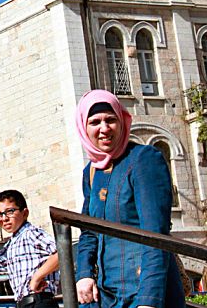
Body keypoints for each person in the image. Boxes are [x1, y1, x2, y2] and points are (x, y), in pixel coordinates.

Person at [74, 90, 185, 308]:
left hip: (141, 291)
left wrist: (149, 299)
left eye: (111, 120)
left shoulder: (144, 159)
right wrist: (84, 274)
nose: (104, 129)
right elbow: (89, 231)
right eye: (95, 122)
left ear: (122, 121)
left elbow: (156, 235)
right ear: (84, 128)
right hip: (106, 295)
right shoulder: (91, 172)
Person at [0, 190, 60, 308]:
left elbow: (61, 254)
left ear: (24, 213)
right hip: (23, 303)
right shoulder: (11, 245)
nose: (4, 218)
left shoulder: (32, 233)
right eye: (0, 214)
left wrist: (37, 277)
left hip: (39, 300)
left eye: (10, 211)